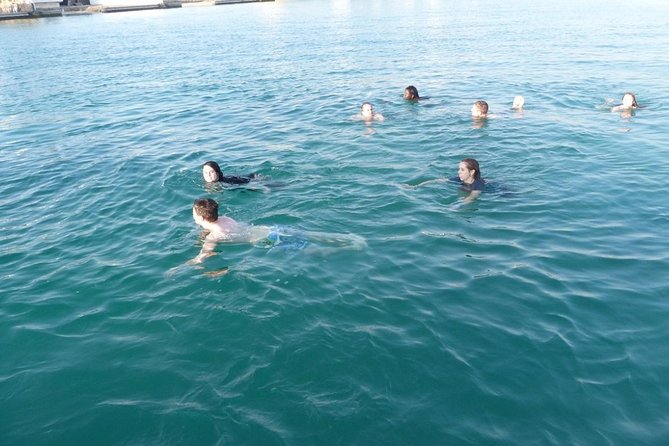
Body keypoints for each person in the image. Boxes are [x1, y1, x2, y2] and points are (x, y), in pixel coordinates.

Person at [190, 198, 365, 263]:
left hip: (268, 241)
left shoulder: (213, 236)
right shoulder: (227, 219)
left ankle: (349, 248)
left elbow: (202, 258)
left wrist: (179, 268)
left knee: (309, 251)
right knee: (308, 234)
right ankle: (349, 238)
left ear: (202, 218)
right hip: (270, 229)